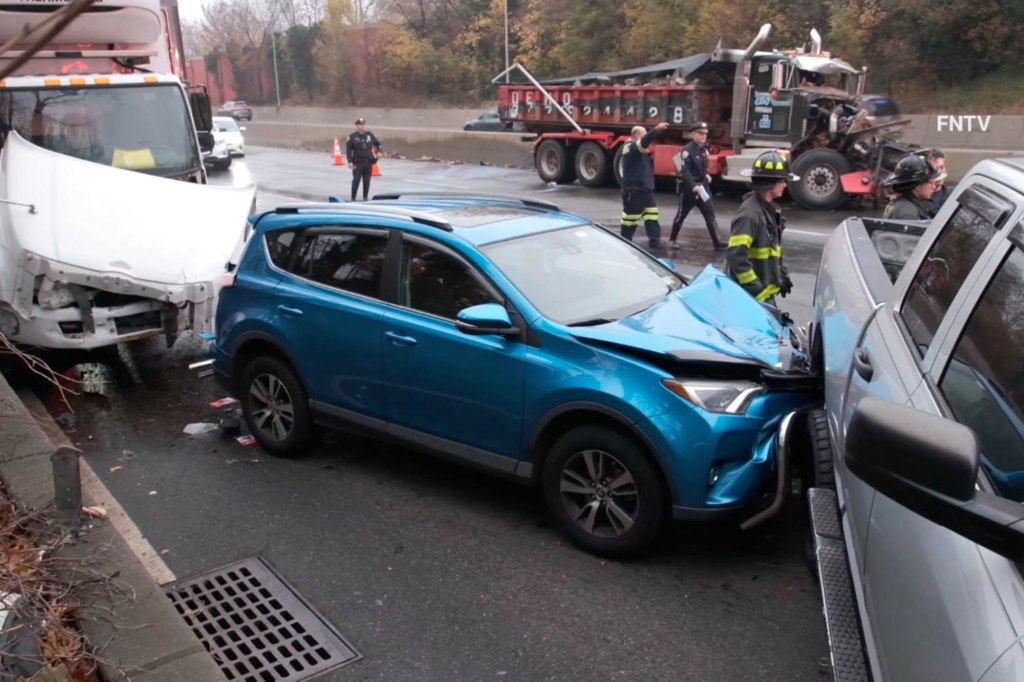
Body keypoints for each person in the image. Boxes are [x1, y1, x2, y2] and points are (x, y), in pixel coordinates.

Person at [726, 150, 797, 305]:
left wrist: (779, 275)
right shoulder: (750, 215)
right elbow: (736, 256)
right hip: (752, 299)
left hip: (764, 297)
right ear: (770, 183)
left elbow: (770, 250)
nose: (785, 184)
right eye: (783, 180)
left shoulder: (768, 210)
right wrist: (755, 290)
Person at [668, 121, 725, 250]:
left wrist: (706, 174)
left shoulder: (704, 149)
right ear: (693, 134)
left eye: (705, 134)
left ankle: (717, 241)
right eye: (701, 133)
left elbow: (703, 166)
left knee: (710, 214)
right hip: (690, 190)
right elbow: (685, 171)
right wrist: (693, 185)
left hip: (703, 188)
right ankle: (672, 240)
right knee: (681, 215)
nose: (704, 136)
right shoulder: (687, 150)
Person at [619, 121, 669, 250]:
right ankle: (624, 244)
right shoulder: (629, 147)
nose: (646, 137)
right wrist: (656, 130)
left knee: (652, 216)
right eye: (644, 134)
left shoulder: (638, 150)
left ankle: (655, 242)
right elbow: (643, 143)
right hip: (634, 192)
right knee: (630, 220)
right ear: (637, 135)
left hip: (645, 190)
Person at [882, 151, 945, 221]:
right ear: (916, 185)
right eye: (931, 182)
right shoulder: (908, 213)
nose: (934, 186)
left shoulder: (903, 203)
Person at [346, 117, 382, 201]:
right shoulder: (352, 137)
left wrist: (379, 151)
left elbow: (378, 144)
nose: (362, 126)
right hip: (357, 163)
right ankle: (353, 198)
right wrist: (350, 161)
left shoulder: (369, 136)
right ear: (357, 126)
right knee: (356, 181)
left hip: (368, 163)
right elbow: (348, 150)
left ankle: (365, 198)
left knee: (367, 182)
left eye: (364, 125)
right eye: (360, 125)